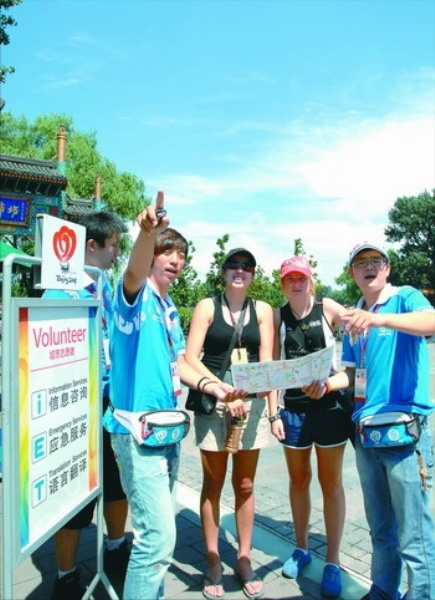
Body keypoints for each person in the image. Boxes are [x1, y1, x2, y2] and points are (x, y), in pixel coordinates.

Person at [102, 193, 245, 600]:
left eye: (181, 255)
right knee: (157, 541)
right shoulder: (133, 297)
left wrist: (214, 386)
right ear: (151, 255)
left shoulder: (168, 307)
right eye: (167, 252)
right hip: (136, 433)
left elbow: (180, 361)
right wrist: (148, 233)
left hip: (165, 431)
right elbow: (133, 270)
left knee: (157, 539)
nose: (176, 261)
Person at [334, 242, 435, 600]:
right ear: (352, 273)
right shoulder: (355, 315)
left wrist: (379, 319)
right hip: (366, 433)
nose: (369, 267)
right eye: (361, 263)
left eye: (376, 261)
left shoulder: (404, 297)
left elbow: (431, 321)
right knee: (380, 527)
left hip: (405, 432)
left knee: (414, 532)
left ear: (387, 268)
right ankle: (382, 590)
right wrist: (323, 384)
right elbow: (351, 374)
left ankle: (421, 594)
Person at [46, 211, 130, 600]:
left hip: (112, 403)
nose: (117, 252)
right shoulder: (59, 291)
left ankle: (115, 548)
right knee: (75, 498)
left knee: (116, 484)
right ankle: (65, 575)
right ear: (91, 245)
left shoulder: (105, 285)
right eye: (113, 245)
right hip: (77, 408)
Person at [185, 247, 275, 600]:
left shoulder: (262, 310)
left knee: (246, 484)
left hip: (249, 405)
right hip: (214, 402)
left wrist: (266, 402)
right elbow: (191, 357)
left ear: (253, 274)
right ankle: (212, 559)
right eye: (234, 266)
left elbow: (266, 361)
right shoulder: (207, 306)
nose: (240, 271)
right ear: (223, 272)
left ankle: (243, 557)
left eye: (247, 267)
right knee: (213, 483)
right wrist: (222, 390)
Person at [270, 255, 349, 598]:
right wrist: (273, 414)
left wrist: (335, 381)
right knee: (299, 481)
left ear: (311, 280)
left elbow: (358, 332)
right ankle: (302, 548)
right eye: (290, 279)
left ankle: (333, 560)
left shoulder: (327, 308)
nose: (296, 283)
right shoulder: (278, 316)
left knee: (331, 485)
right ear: (283, 284)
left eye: (301, 277)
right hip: (294, 411)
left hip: (330, 408)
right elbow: (272, 366)